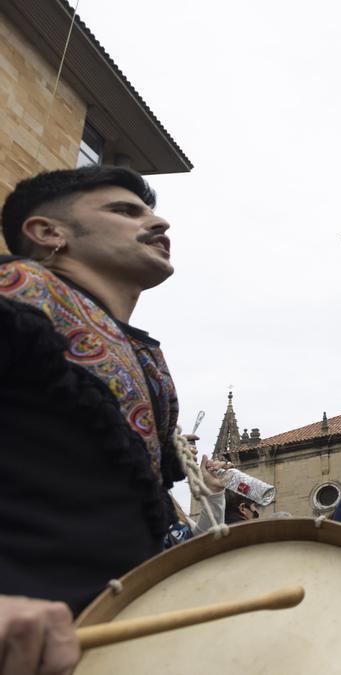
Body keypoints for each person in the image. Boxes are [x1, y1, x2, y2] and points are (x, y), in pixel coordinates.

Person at [1, 166, 187, 671]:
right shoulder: (15, 293)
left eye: (151, 211)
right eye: (125, 211)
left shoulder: (143, 355)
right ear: (47, 233)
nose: (159, 223)